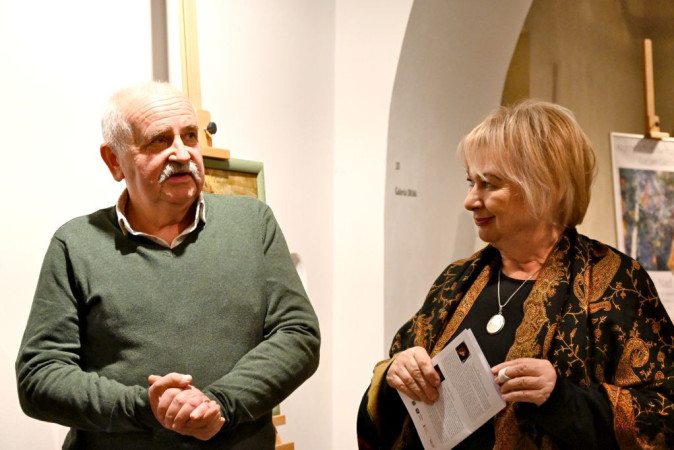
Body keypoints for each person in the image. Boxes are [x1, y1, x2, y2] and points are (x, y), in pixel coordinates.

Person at [16, 81, 320, 449]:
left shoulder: (253, 223)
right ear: (114, 161)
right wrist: (144, 407)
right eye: (158, 140)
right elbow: (39, 376)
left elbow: (298, 335)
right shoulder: (75, 244)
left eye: (190, 136)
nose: (181, 153)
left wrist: (219, 403)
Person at [357, 100, 674, 449]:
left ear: (547, 187)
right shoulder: (455, 281)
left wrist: (561, 397)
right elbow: (389, 401)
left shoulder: (614, 281)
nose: (470, 201)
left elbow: (665, 416)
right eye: (471, 182)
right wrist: (395, 376)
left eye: (489, 184)